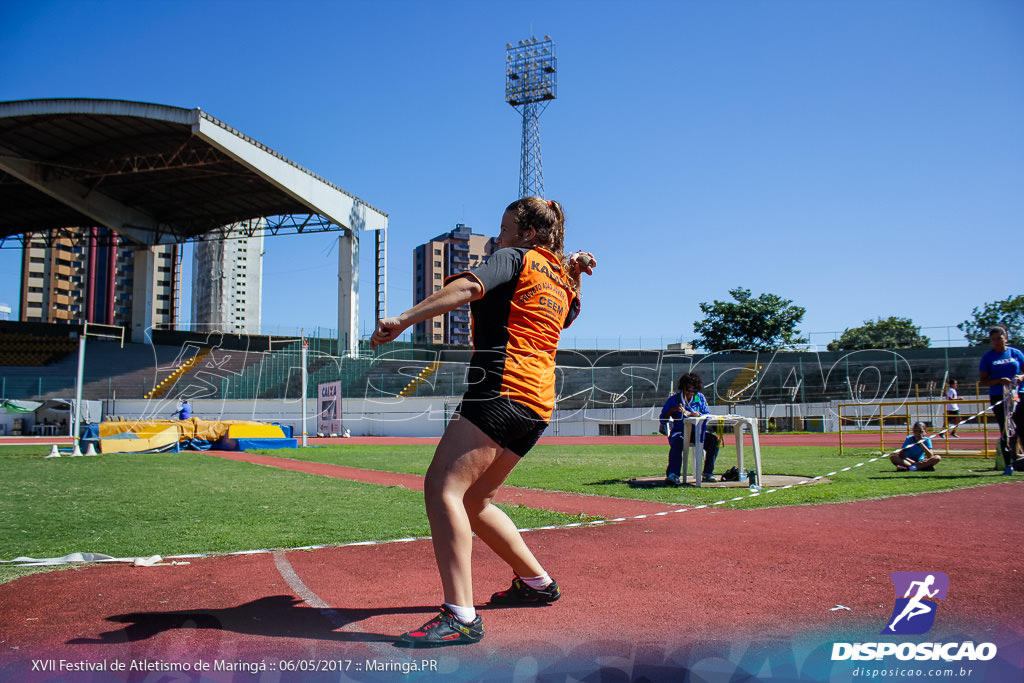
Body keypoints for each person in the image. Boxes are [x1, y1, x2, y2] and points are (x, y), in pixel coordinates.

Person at [370, 197, 594, 647]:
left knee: (443, 487)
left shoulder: (514, 258)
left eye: (506, 227)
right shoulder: (560, 281)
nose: (498, 236)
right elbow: (568, 314)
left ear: (528, 233)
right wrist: (572, 271)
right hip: (536, 405)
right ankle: (535, 582)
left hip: (500, 387)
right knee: (476, 500)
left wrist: (402, 320)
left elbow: (470, 289)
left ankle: (460, 616)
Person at [659, 372, 719, 485]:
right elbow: (663, 419)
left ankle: (707, 473)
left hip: (698, 432)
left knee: (713, 441)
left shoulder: (699, 398)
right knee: (677, 443)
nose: (690, 393)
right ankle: (673, 474)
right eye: (688, 389)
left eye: (694, 390)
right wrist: (673, 410)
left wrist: (698, 414)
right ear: (682, 387)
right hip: (680, 431)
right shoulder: (674, 399)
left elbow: (707, 414)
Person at [978, 326, 1024, 473]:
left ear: (1006, 338)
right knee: (1006, 430)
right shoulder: (988, 358)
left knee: (1022, 427)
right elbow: (983, 380)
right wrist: (999, 380)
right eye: (994, 339)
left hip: (1018, 394)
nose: (997, 342)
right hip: (999, 396)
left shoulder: (1016, 353)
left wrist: (1020, 377)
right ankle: (1008, 464)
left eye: (1000, 338)